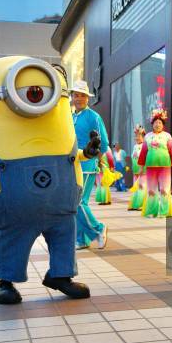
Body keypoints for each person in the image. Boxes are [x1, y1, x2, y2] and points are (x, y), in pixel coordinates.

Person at [0, 56, 101, 304]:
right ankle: (6, 283)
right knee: (13, 238)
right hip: (12, 205)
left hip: (60, 203)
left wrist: (86, 153)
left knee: (65, 231)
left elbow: (73, 155)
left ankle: (60, 275)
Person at [71, 80, 110, 250]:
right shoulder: (71, 117)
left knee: (79, 202)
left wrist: (96, 159)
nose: (78, 98)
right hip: (73, 164)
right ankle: (81, 239)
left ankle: (98, 229)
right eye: (76, 95)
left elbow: (104, 142)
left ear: (88, 98)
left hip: (87, 165)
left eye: (82, 95)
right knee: (74, 203)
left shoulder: (94, 117)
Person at [138, 109, 172, 218]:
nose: (158, 124)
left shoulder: (167, 136)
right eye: (156, 122)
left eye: (160, 123)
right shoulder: (147, 136)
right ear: (152, 124)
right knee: (151, 190)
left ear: (163, 124)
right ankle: (152, 211)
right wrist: (141, 167)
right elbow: (143, 153)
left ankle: (164, 212)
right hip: (150, 167)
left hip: (165, 167)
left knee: (164, 190)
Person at [128, 125, 147, 211]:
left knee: (141, 187)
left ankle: (142, 205)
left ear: (143, 136)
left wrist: (142, 168)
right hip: (136, 171)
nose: (137, 137)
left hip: (143, 171)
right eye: (136, 136)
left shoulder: (145, 146)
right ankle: (135, 204)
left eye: (139, 135)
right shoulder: (135, 146)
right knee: (135, 187)